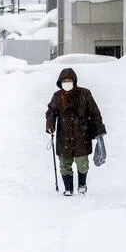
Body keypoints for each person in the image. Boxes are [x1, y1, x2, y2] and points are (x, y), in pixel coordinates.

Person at [45, 67, 106, 196]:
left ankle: (82, 185)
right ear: (60, 82)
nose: (66, 82)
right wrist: (50, 124)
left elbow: (95, 113)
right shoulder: (57, 96)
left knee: (82, 164)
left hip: (82, 136)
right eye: (64, 80)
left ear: (74, 81)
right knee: (64, 164)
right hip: (64, 137)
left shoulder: (85, 94)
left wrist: (99, 130)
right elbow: (50, 112)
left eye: (69, 80)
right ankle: (68, 188)